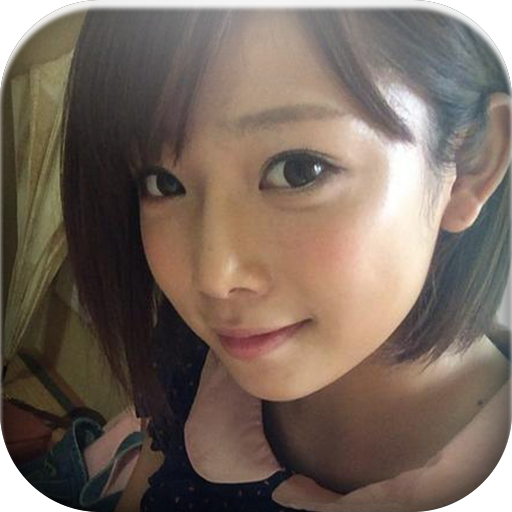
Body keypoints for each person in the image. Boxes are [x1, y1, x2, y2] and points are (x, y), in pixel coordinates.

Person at [61, 8, 511, 512]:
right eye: (163, 183)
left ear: (469, 166)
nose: (214, 278)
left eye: (299, 170)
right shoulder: (193, 358)